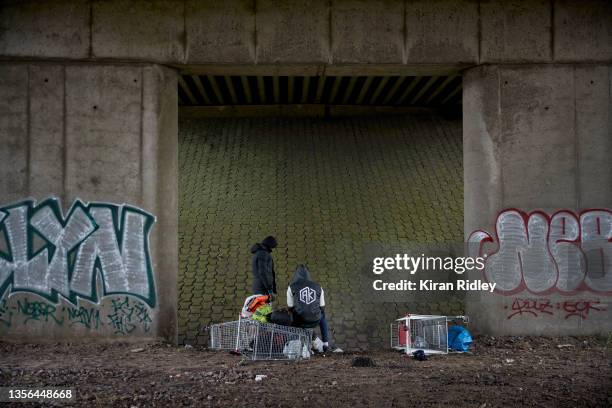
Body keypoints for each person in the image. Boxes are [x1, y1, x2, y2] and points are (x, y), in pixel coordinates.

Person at [286, 264, 330, 352]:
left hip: (299, 321)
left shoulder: (291, 287)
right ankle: (325, 343)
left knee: (290, 315)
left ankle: (291, 342)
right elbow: (322, 307)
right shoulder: (318, 287)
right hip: (315, 320)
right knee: (323, 316)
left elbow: (290, 307)